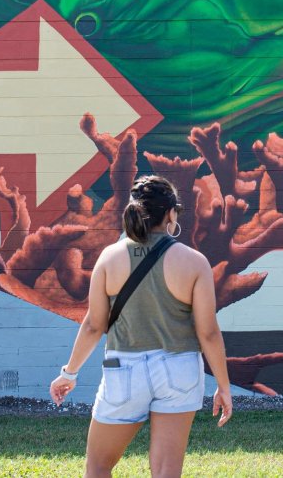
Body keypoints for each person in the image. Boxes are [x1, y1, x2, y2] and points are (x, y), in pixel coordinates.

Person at [49, 175, 233, 478]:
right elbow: (208, 332)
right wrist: (223, 387)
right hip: (180, 369)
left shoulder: (110, 257)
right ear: (171, 213)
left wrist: (69, 373)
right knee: (166, 472)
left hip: (125, 368)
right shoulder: (194, 261)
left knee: (97, 467)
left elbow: (94, 325)